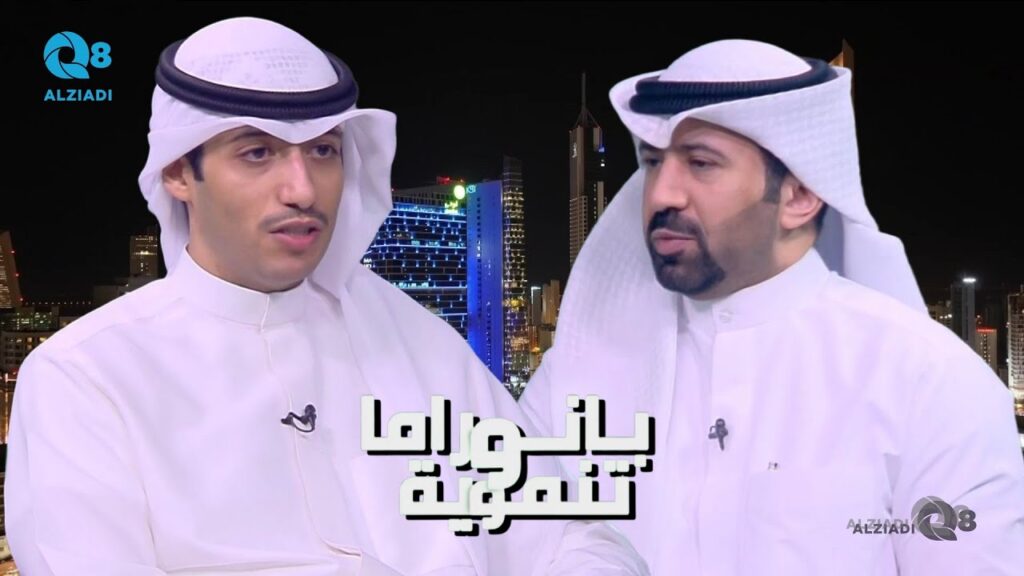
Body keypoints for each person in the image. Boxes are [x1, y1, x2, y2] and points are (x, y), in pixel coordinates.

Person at [4, 16, 647, 576]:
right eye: (258, 153)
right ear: (178, 171)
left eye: (322, 150)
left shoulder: (410, 338)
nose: (303, 189)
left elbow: (573, 534)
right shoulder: (86, 377)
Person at [520, 39, 1024, 575]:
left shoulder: (930, 382)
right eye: (653, 162)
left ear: (799, 196)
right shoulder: (579, 370)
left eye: (701, 163)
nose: (661, 193)